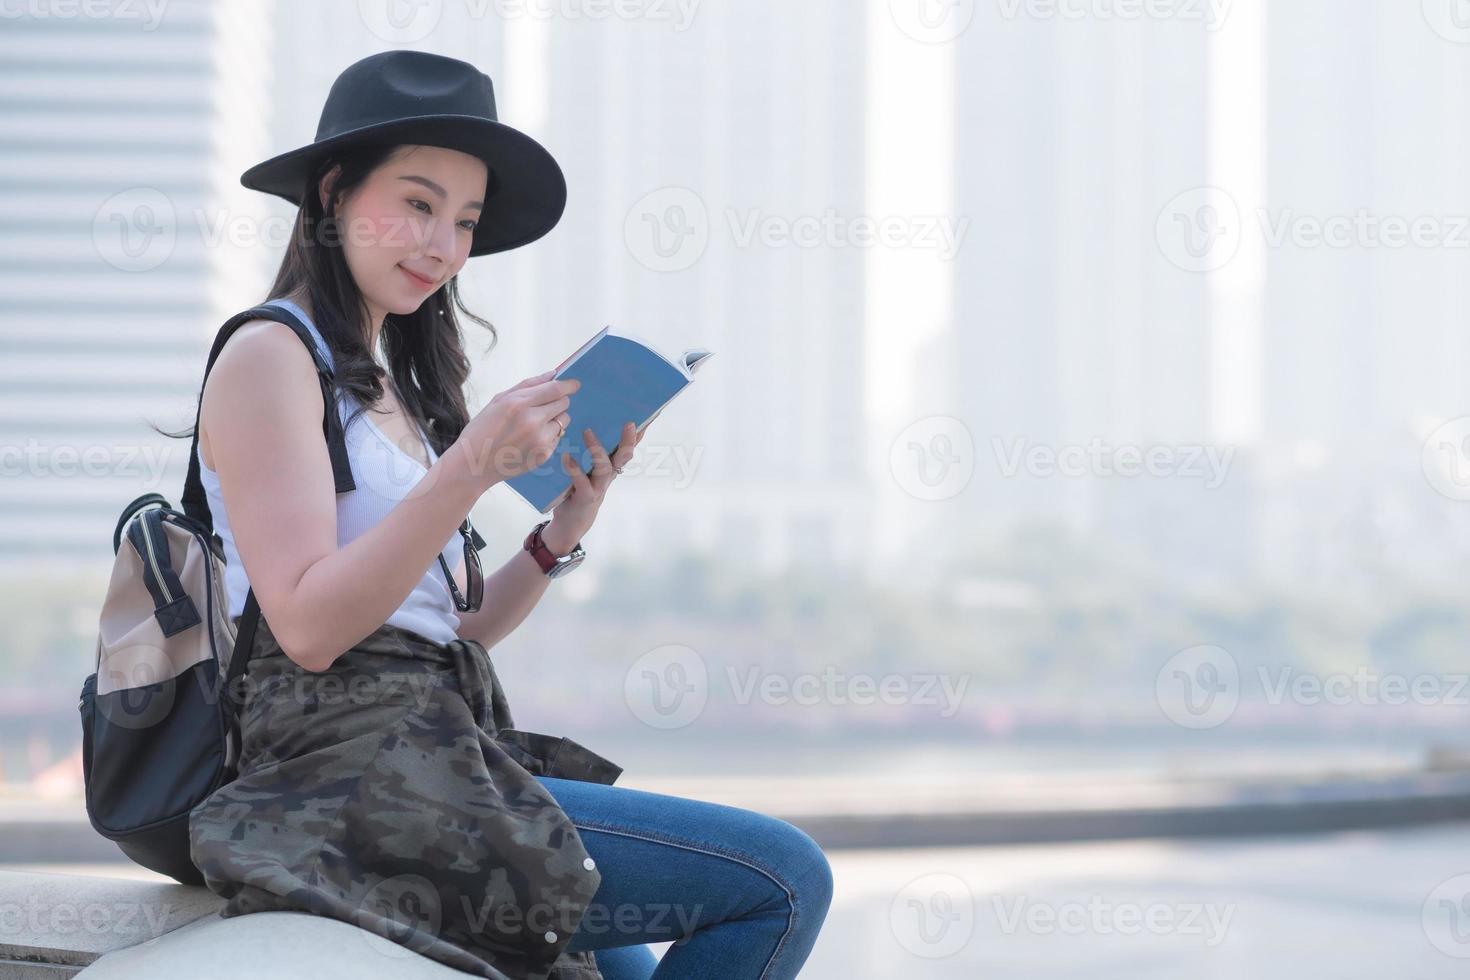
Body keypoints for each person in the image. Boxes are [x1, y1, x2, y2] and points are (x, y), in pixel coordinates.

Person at [184, 50, 832, 980]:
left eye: (465, 221)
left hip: (440, 747)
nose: (442, 244)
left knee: (631, 960)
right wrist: (472, 466)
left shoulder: (396, 392)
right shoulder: (270, 354)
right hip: (339, 772)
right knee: (781, 877)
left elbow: (457, 629)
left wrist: (561, 527)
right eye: (417, 203)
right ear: (332, 192)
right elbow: (309, 626)